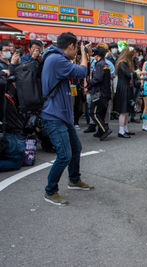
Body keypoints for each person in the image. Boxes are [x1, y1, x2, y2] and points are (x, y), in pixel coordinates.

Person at [41, 32, 94, 206]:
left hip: (62, 115)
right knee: (64, 155)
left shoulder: (56, 58)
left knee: (76, 148)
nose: (77, 51)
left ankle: (74, 180)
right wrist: (84, 54)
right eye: (77, 48)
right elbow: (82, 71)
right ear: (71, 46)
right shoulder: (56, 59)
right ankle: (50, 191)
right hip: (54, 115)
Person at [0, 69, 25, 172]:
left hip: (11, 131)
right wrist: (3, 73)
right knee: (16, 162)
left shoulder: (6, 93)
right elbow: (1, 83)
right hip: (11, 133)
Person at [88, 46, 112, 141]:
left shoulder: (99, 64)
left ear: (96, 55)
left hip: (99, 93)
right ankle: (100, 131)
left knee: (93, 113)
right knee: (100, 113)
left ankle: (105, 129)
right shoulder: (105, 64)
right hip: (105, 92)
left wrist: (89, 84)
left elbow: (97, 78)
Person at [113, 42, 136, 138]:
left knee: (126, 110)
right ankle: (121, 131)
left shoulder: (123, 62)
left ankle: (125, 129)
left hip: (125, 87)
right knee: (123, 110)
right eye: (133, 54)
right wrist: (139, 73)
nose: (135, 56)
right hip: (123, 88)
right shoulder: (122, 63)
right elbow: (128, 74)